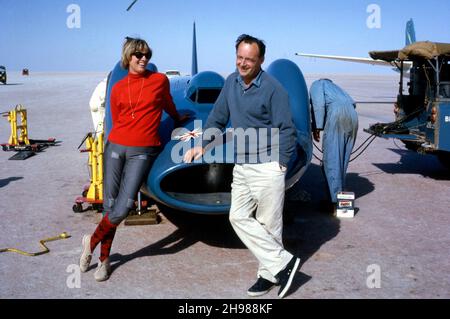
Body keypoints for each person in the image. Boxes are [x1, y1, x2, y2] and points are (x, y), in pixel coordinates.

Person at [184, 34, 301, 298]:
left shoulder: (273, 89)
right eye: (239, 57)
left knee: (269, 225)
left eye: (249, 59)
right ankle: (285, 264)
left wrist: (280, 165)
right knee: (237, 216)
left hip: (268, 166)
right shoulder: (231, 83)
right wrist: (203, 145)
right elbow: (217, 118)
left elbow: (287, 130)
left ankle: (268, 276)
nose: (243, 63)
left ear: (261, 60)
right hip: (243, 164)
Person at [79, 37, 188, 281]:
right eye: (138, 54)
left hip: (142, 151)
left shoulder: (159, 81)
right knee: (109, 207)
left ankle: (90, 241)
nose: (143, 59)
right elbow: (116, 119)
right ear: (128, 57)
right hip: (116, 148)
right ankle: (104, 261)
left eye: (147, 54)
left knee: (123, 208)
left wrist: (179, 118)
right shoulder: (118, 88)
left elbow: (168, 104)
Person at [309, 79, 358, 215]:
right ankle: (341, 200)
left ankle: (334, 203)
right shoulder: (337, 89)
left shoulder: (318, 84)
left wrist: (317, 127)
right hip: (353, 116)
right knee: (342, 161)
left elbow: (318, 105)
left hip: (337, 115)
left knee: (332, 161)